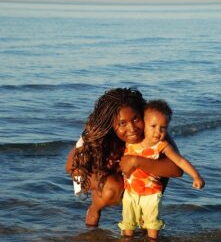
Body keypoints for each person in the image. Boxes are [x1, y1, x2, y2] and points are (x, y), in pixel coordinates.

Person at [65, 88, 183, 226]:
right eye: (122, 123)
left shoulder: (153, 130)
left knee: (159, 161)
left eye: (135, 119)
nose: (132, 128)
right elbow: (71, 167)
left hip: (138, 174)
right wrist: (104, 169)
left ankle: (145, 213)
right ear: (110, 124)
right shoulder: (99, 136)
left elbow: (177, 169)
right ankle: (94, 209)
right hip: (98, 172)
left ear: (143, 115)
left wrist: (136, 161)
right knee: (112, 188)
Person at [118, 100, 205, 240]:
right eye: (153, 126)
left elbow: (180, 161)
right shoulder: (132, 140)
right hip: (130, 193)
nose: (157, 132)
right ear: (143, 123)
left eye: (163, 128)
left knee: (152, 224)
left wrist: (196, 176)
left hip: (152, 194)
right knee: (128, 223)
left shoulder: (162, 146)